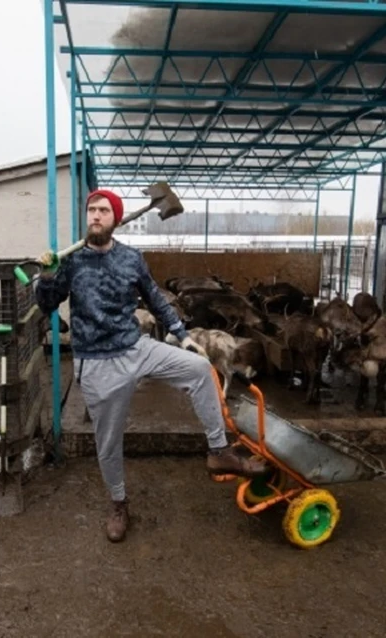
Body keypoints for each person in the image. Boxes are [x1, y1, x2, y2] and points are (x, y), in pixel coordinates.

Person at [34, 188, 268, 542]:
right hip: (97, 363)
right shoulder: (73, 262)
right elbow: (48, 304)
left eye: (103, 211)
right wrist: (48, 277)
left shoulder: (131, 258)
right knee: (108, 443)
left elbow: (156, 300)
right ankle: (118, 503)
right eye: (91, 211)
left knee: (200, 369)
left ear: (116, 219)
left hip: (136, 347)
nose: (95, 216)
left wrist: (183, 335)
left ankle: (219, 451)